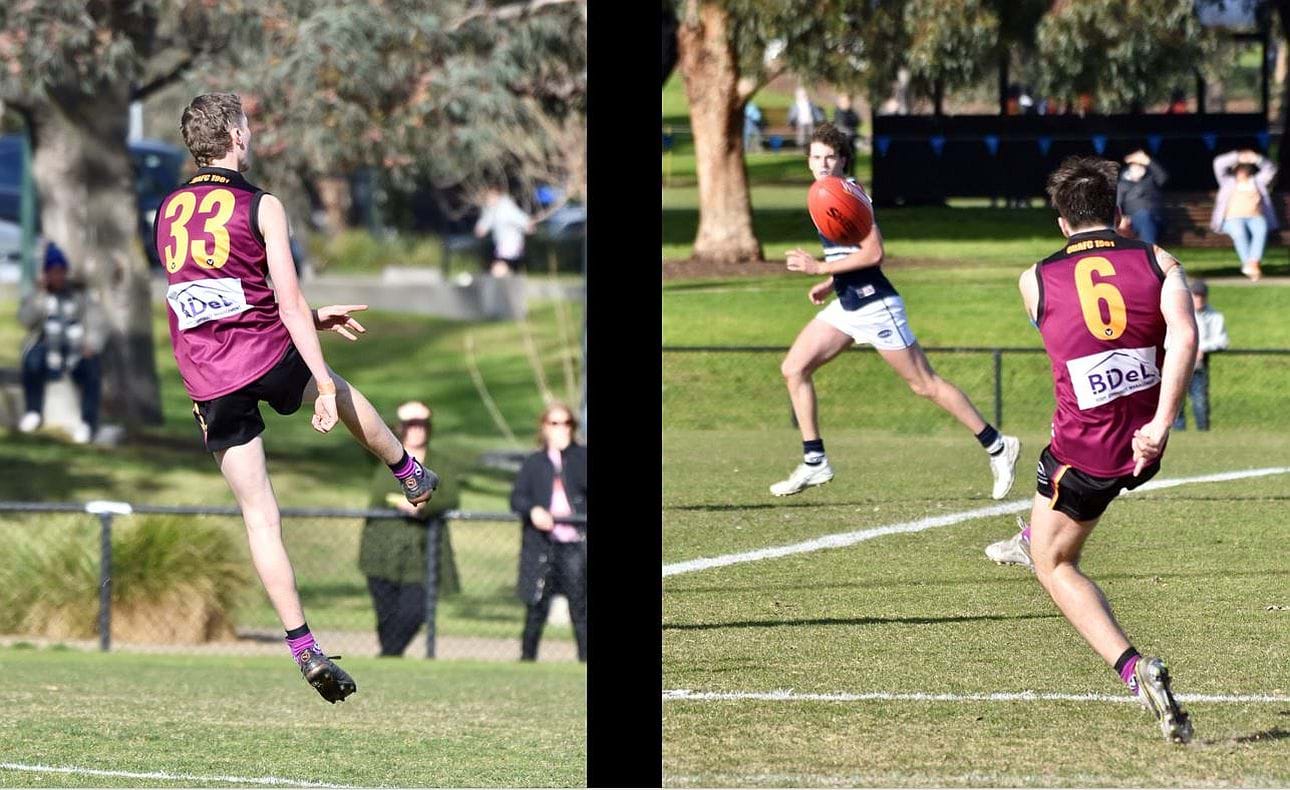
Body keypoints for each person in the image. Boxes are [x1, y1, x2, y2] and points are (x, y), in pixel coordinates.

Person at [155, 93, 439, 702]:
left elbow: (210, 296)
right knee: (338, 386)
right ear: (234, 133)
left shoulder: (167, 209)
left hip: (208, 374)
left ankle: (303, 646)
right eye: (247, 124)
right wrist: (324, 380)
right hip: (263, 351)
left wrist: (313, 316)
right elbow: (278, 300)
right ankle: (408, 471)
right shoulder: (262, 204)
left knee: (261, 516)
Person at [984, 156, 1197, 743]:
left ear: (1061, 223)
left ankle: (1136, 670)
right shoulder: (1158, 260)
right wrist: (1161, 422)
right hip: (1143, 444)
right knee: (1047, 519)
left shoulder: (1033, 278)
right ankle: (1027, 536)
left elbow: (1060, 329)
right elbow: (1184, 333)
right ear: (1120, 215)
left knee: (1055, 564)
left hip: (1087, 450)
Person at [772, 122, 1021, 499]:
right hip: (849, 303)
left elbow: (874, 253)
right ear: (808, 161)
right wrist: (831, 279)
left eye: (830, 157)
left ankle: (998, 446)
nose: (822, 164)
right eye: (816, 157)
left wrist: (819, 268)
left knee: (924, 384)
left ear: (843, 160)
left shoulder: (851, 193)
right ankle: (815, 460)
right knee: (794, 368)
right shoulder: (822, 193)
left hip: (876, 305)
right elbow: (850, 253)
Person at [358, 401, 463, 657]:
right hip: (382, 548)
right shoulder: (382, 456)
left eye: (422, 424)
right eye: (410, 424)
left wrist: (423, 505)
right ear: (399, 426)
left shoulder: (440, 462)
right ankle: (390, 659)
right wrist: (396, 416)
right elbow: (362, 427)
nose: (417, 430)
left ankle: (388, 656)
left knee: (415, 610)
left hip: (422, 550)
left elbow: (450, 497)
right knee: (385, 613)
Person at [510, 401, 587, 662]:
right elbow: (517, 498)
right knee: (536, 607)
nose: (560, 429)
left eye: (565, 423)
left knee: (580, 607)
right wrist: (533, 510)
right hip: (542, 543)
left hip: (574, 544)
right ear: (544, 427)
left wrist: (568, 456)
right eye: (554, 423)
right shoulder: (534, 462)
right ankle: (527, 660)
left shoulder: (581, 457)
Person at [17, 242, 107, 444]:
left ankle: (87, 423)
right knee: (32, 362)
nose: (56, 276)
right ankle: (33, 411)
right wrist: (39, 295)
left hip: (76, 346)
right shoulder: (40, 295)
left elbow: (98, 322)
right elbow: (25, 320)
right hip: (47, 346)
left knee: (91, 371)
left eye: (60, 272)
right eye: (52, 272)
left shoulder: (79, 295)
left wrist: (91, 344)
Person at [1211, 149, 1278, 282]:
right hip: (1232, 218)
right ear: (1234, 170)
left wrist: (1256, 158)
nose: (1242, 171)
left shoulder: (1258, 181)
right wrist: (1238, 157)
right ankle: (1251, 266)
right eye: (1239, 168)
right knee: (1239, 232)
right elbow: (1218, 163)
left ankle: (1251, 264)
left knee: (1261, 230)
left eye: (1245, 168)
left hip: (1255, 216)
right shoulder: (1227, 182)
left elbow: (1271, 168)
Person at [1170, 279, 1227, 432]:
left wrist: (1201, 348)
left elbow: (1222, 341)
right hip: (1178, 365)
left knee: (1200, 401)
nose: (1199, 299)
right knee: (1176, 402)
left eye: (1202, 296)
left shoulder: (1215, 316)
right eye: (1196, 296)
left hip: (1198, 367)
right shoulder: (1180, 314)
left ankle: (1203, 431)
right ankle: (1179, 433)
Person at [473, 184, 535, 278]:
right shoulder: (492, 209)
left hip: (511, 243)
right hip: (502, 244)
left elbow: (519, 218)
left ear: (497, 196)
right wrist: (481, 227)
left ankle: (503, 282)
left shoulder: (506, 207)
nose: (488, 200)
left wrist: (528, 225)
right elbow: (487, 221)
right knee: (503, 268)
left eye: (490, 197)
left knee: (499, 267)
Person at [1116, 150, 1168, 246]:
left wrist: (1147, 161)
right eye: (1135, 166)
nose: (1138, 168)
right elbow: (1117, 203)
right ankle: (1151, 248)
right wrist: (1121, 217)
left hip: (1155, 217)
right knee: (1143, 216)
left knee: (1145, 216)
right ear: (1129, 169)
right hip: (1132, 220)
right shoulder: (1122, 185)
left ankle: (1149, 248)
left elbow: (1163, 177)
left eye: (1141, 166)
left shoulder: (1151, 180)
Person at [831, 95, 860, 175]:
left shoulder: (851, 112)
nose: (848, 104)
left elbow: (857, 121)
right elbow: (843, 122)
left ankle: (852, 176)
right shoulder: (838, 112)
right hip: (843, 139)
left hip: (852, 139)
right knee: (843, 158)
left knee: (852, 159)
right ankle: (843, 174)